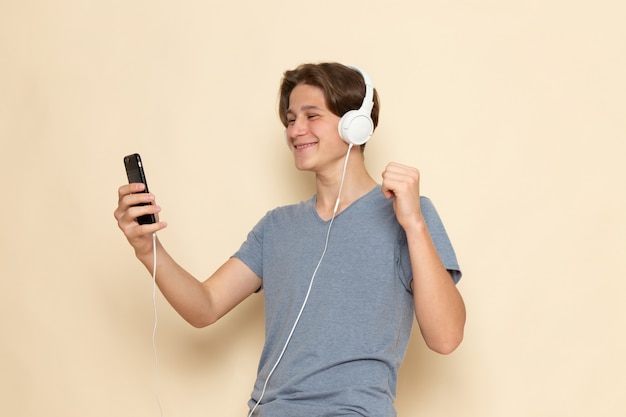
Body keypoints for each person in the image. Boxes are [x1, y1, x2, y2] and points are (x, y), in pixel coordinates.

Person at [114, 62, 466, 417]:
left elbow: (446, 338)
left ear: (356, 125)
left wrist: (414, 224)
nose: (296, 130)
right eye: (290, 118)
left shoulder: (409, 213)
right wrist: (147, 249)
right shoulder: (277, 227)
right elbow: (204, 307)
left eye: (312, 116)